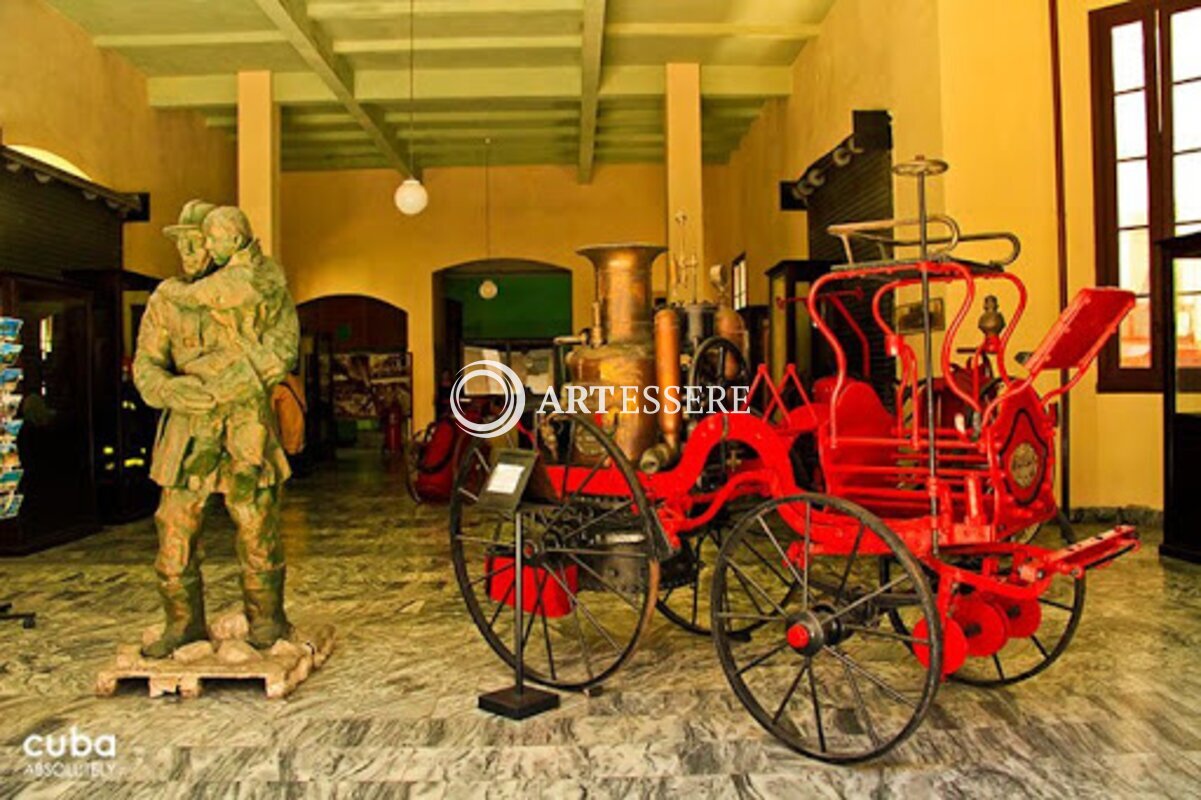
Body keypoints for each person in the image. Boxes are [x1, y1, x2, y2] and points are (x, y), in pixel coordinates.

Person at [133, 201, 299, 657]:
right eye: (181, 243)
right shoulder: (167, 301)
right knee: (174, 525)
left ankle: (267, 618)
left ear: (219, 245)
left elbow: (281, 352)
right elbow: (146, 364)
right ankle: (183, 623)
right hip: (187, 428)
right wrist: (169, 391)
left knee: (256, 521)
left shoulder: (263, 293)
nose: (186, 251)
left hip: (245, 420)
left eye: (195, 241)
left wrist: (230, 383)